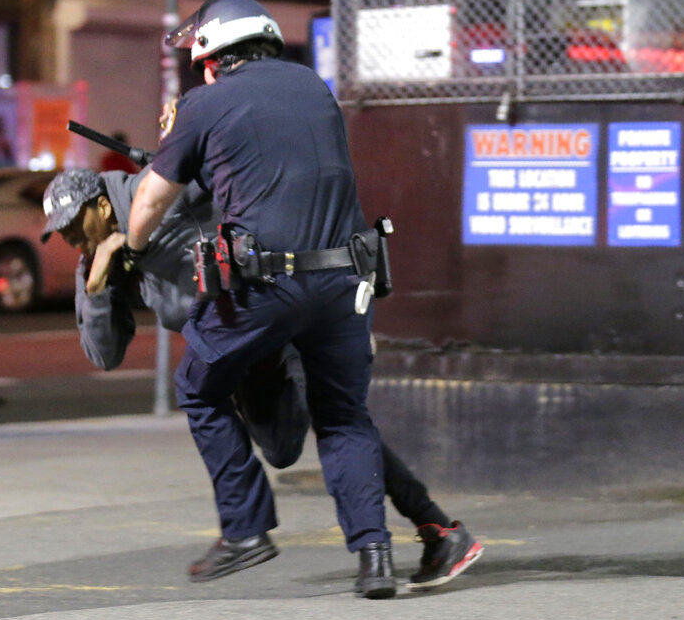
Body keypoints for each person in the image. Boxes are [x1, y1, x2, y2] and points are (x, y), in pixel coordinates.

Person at [123, 0, 480, 598]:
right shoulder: (314, 86)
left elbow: (153, 203)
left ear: (213, 54)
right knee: (343, 416)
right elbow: (267, 172)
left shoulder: (201, 103)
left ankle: (245, 529)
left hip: (264, 286)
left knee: (198, 387)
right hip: (346, 282)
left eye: (200, 60)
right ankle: (374, 559)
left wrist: (133, 247)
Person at [41, 164, 484, 593]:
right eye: (60, 233)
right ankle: (427, 535)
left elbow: (228, 172)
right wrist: (97, 287)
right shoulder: (99, 260)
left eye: (73, 225)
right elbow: (104, 354)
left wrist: (188, 138)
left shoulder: (159, 191)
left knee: (336, 419)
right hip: (238, 350)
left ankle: (435, 531)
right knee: (283, 449)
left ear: (101, 205)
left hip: (273, 313)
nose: (69, 238)